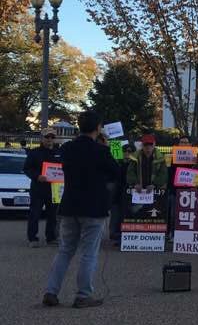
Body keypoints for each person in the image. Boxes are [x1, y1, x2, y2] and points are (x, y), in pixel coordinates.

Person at [43, 111, 119, 308]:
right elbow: (115, 172)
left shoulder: (67, 148)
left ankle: (51, 291)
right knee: (89, 253)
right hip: (94, 207)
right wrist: (106, 149)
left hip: (69, 204)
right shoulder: (101, 151)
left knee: (65, 250)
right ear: (98, 128)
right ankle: (83, 295)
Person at [23, 128, 61, 247]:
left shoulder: (59, 152)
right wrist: (37, 176)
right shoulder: (34, 153)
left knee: (53, 215)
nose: (49, 139)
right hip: (38, 188)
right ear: (41, 138)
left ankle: (51, 237)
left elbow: (64, 168)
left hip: (54, 189)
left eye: (52, 137)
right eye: (47, 137)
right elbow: (26, 169)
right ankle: (33, 239)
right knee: (35, 214)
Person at [109, 143, 137, 245]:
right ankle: (116, 235)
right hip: (117, 194)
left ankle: (123, 237)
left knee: (126, 216)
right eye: (125, 151)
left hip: (129, 195)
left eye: (130, 151)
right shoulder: (117, 163)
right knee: (116, 216)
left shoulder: (135, 164)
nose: (127, 153)